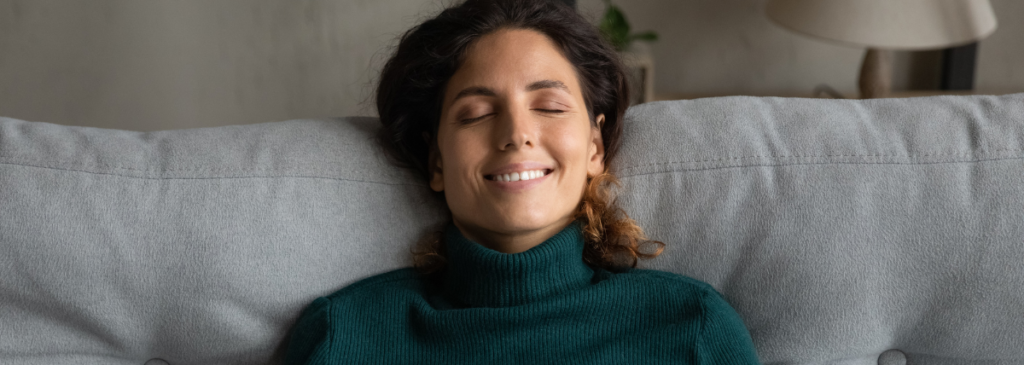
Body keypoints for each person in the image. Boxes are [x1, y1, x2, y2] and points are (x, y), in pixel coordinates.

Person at [285, 0, 760, 363]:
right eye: (477, 114)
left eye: (550, 107)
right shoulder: (342, 335)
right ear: (436, 162)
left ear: (595, 147)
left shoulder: (690, 327)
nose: (516, 135)